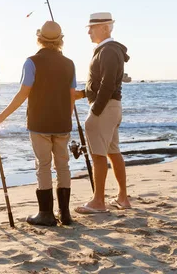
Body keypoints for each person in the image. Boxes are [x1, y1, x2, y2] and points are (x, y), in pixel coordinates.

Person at [0, 21, 76, 226]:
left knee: (43, 166)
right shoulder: (69, 63)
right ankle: (65, 214)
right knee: (63, 165)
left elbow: (23, 93)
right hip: (63, 123)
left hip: (39, 123)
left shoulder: (31, 62)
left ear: (40, 39)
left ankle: (46, 214)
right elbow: (71, 96)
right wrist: (66, 117)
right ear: (60, 40)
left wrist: (2, 116)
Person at [75, 12, 131, 214]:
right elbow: (103, 83)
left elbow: (107, 84)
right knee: (113, 152)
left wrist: (95, 110)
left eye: (92, 27)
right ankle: (122, 198)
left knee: (98, 154)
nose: (89, 31)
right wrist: (82, 94)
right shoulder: (107, 50)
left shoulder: (107, 50)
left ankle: (98, 201)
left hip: (105, 108)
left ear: (105, 28)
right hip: (112, 107)